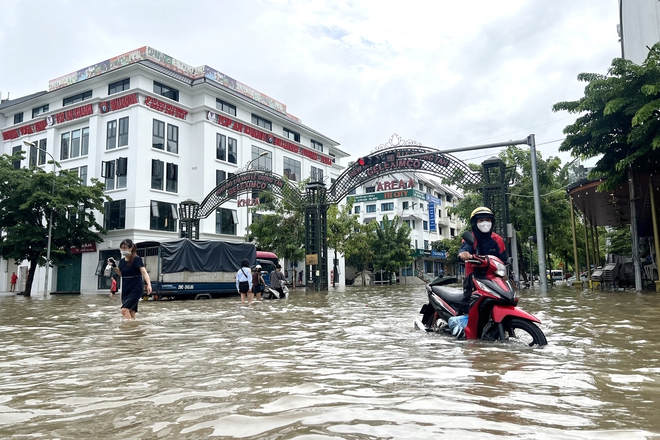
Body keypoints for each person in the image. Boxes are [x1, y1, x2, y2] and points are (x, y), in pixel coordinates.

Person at [458, 206, 508, 314]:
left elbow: (504, 260)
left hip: (494, 278)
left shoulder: (498, 239)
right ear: (475, 223)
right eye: (481, 220)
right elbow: (464, 248)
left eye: (488, 220)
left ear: (492, 222)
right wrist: (464, 254)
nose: (485, 223)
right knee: (468, 305)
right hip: (473, 278)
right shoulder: (470, 238)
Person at [107, 239, 152, 320]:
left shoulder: (136, 259)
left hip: (136, 288)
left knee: (124, 310)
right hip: (125, 288)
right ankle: (133, 330)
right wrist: (113, 266)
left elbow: (144, 272)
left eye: (125, 248)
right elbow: (121, 274)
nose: (123, 250)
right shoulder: (121, 261)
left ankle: (126, 329)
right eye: (121, 248)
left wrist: (149, 284)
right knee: (131, 311)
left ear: (130, 248)